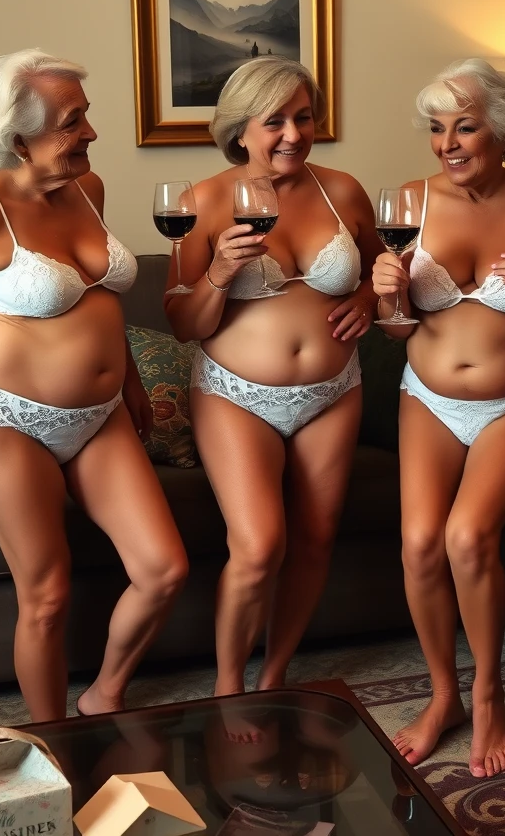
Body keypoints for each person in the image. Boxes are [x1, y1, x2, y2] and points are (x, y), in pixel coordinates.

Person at [0, 50, 188, 723]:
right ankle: (53, 743)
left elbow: (98, 304)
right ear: (18, 135)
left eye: (85, 117)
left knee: (164, 569)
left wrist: (132, 380)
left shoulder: (92, 189)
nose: (90, 133)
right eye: (72, 121)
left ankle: (105, 693)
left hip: (102, 414)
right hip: (7, 421)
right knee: (47, 596)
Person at [372, 59, 505, 778]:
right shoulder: (406, 201)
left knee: (466, 535)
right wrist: (389, 298)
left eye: (466, 126)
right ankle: (442, 695)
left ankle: (488, 695)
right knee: (421, 542)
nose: (449, 143)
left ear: (504, 131)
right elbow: (394, 328)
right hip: (427, 396)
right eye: (436, 128)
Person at [165, 56, 380, 698]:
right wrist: (219, 274)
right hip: (237, 396)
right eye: (275, 121)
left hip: (332, 392)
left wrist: (368, 299)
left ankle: (275, 675)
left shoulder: (343, 190)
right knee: (259, 548)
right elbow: (181, 322)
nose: (293, 133)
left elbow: (381, 269)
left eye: (304, 117)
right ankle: (229, 688)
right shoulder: (201, 202)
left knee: (315, 542)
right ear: (240, 129)